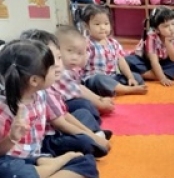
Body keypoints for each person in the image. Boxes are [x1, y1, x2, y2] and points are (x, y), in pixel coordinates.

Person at [0, 39, 99, 178]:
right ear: (34, 80)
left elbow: (61, 118)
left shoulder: (41, 95)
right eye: (52, 67)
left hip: (38, 156)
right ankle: (54, 167)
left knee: (87, 162)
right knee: (8, 174)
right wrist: (11, 137)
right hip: (13, 162)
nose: (57, 69)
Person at [19, 29, 111, 159]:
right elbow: (62, 124)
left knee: (83, 113)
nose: (57, 65)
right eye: (50, 60)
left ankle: (95, 136)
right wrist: (92, 137)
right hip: (46, 141)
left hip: (56, 132)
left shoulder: (50, 85)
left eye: (59, 57)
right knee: (84, 145)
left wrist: (90, 134)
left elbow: (65, 115)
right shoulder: (44, 91)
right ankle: (93, 140)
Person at [81, 4, 148, 96]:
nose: (102, 27)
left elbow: (121, 61)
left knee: (137, 77)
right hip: (94, 79)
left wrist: (130, 77)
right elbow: (80, 65)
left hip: (112, 77)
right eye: (97, 24)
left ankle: (116, 88)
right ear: (86, 26)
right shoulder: (87, 43)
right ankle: (127, 90)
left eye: (106, 23)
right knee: (100, 79)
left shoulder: (113, 43)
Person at [54, 25, 114, 120]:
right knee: (84, 104)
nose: (74, 57)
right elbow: (79, 91)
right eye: (69, 50)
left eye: (79, 53)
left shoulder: (70, 69)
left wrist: (100, 99)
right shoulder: (60, 72)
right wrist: (101, 104)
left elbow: (80, 87)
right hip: (59, 108)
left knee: (87, 101)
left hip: (69, 100)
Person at [127, 7, 174, 86]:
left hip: (162, 62)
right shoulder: (151, 37)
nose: (171, 28)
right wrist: (162, 78)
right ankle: (166, 75)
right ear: (157, 29)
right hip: (145, 61)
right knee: (128, 61)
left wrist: (168, 43)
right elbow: (154, 62)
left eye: (173, 24)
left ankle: (141, 75)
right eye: (166, 26)